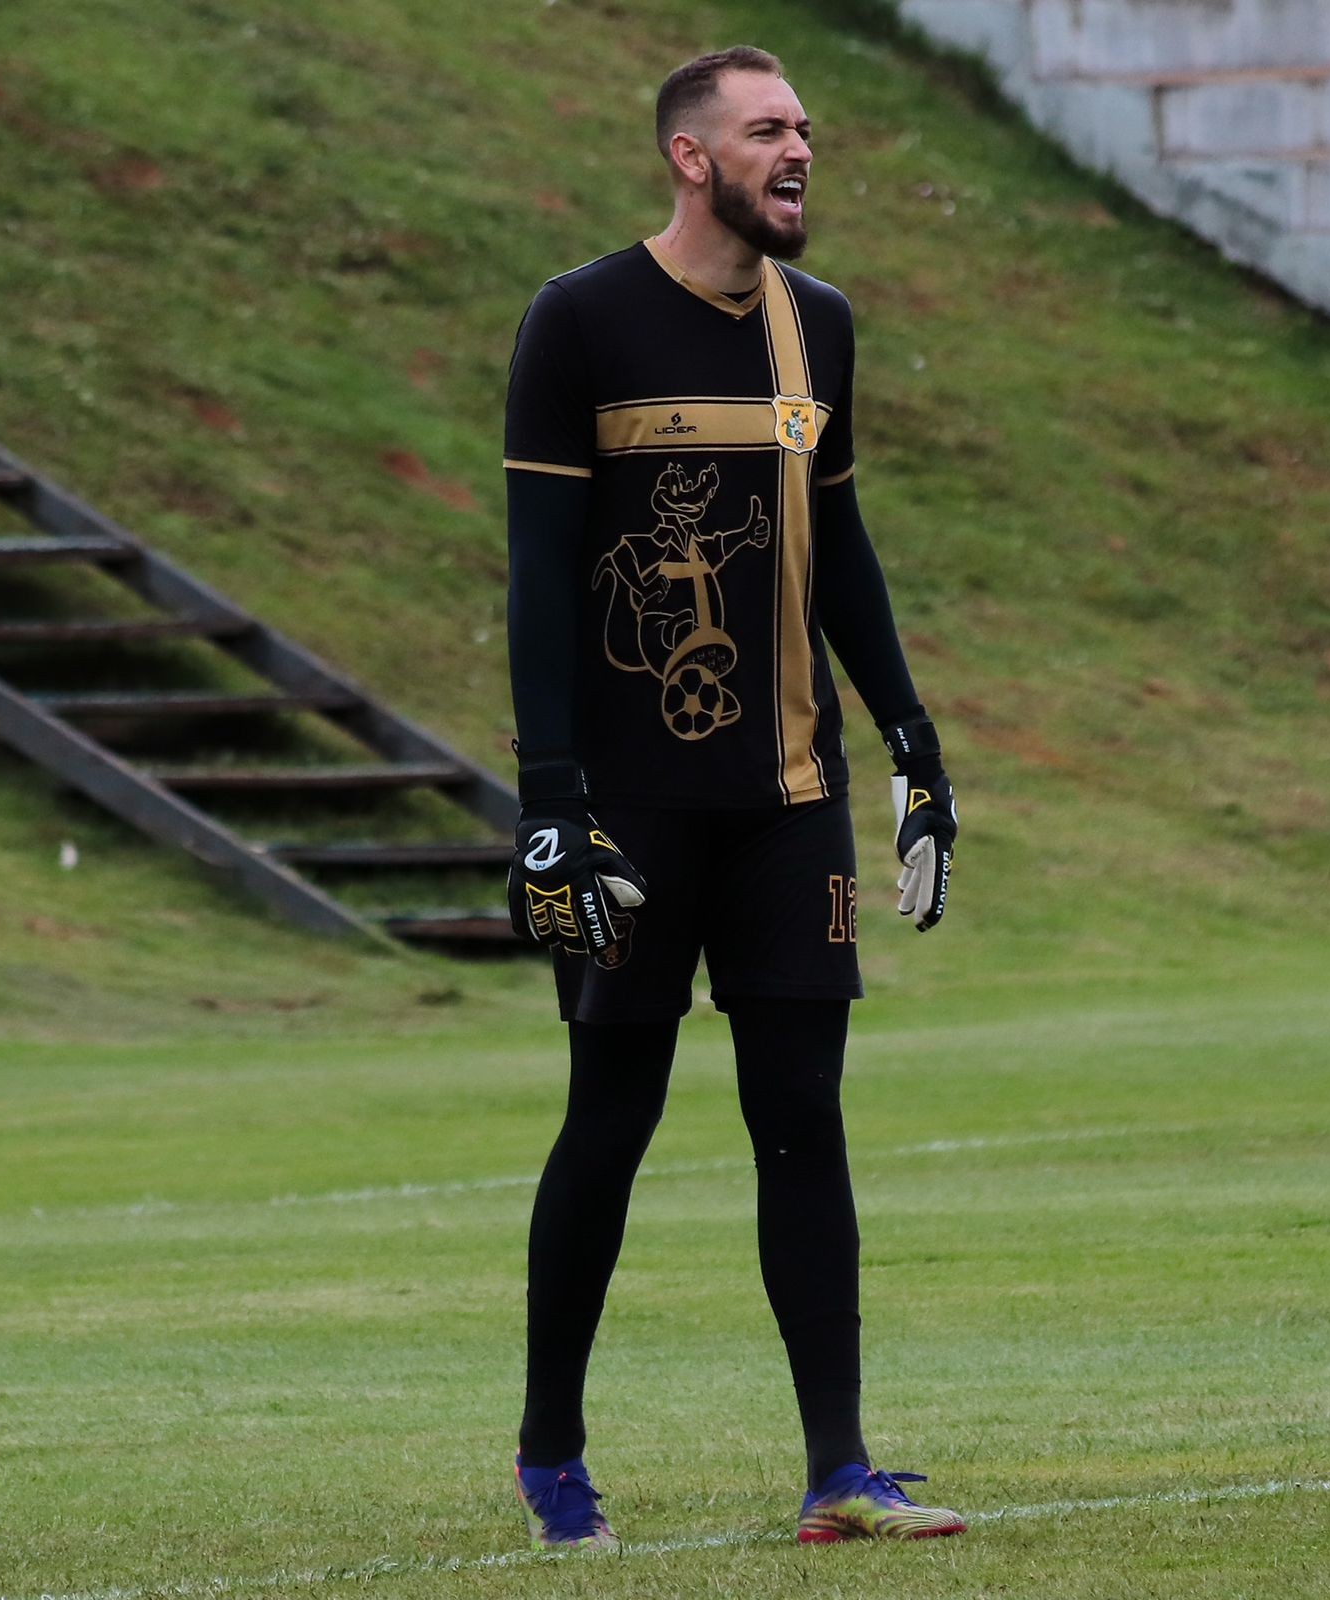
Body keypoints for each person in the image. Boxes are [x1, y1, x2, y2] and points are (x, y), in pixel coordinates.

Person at [502, 45, 961, 1550]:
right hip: (632, 808)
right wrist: (551, 800)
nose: (801, 150)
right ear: (692, 158)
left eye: (807, 129)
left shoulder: (815, 330)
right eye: (770, 130)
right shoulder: (576, 323)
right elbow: (543, 584)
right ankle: (552, 1457)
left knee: (801, 1120)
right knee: (611, 1120)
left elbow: (844, 550)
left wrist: (912, 740)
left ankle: (840, 1469)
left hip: (786, 796)